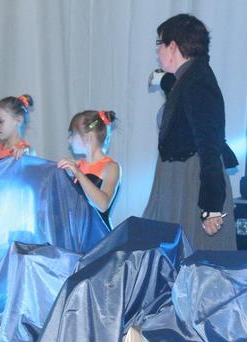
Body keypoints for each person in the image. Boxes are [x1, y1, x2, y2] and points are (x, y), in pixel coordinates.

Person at [143, 14, 237, 250]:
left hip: (189, 182)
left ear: (173, 46)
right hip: (176, 181)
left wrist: (212, 206)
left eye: (160, 44)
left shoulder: (198, 81)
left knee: (191, 255)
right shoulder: (189, 77)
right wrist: (163, 79)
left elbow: (209, 144)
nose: (157, 51)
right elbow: (180, 98)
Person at [57, 110, 121, 229]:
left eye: (72, 134)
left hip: (100, 235)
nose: (69, 140)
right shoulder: (77, 165)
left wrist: (78, 173)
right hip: (79, 233)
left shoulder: (111, 167)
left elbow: (103, 204)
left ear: (87, 138)